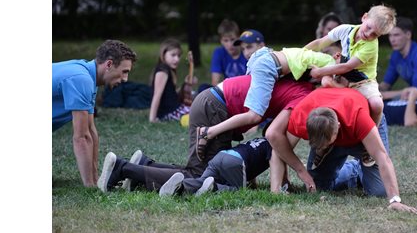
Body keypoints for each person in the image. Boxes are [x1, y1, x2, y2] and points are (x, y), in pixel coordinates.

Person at [97, 74, 315, 193]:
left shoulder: (294, 84)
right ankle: (124, 169)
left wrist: (283, 181)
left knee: (195, 170)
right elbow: (274, 137)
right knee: (199, 177)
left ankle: (145, 166)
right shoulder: (304, 96)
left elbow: (270, 135)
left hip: (213, 102)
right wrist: (301, 171)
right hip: (215, 108)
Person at [265, 87, 417, 214]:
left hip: (360, 135)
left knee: (378, 192)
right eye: (318, 145)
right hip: (333, 131)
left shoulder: (359, 118)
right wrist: (279, 188)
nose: (322, 146)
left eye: (325, 144)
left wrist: (395, 200)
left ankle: (360, 166)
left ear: (337, 128)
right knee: (320, 187)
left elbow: (382, 157)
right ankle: (354, 171)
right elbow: (278, 150)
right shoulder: (301, 116)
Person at [194, 30, 337, 158]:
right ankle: (209, 132)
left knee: (252, 107)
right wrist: (343, 83)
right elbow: (324, 80)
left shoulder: (310, 56)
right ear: (337, 56)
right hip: (269, 65)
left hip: (265, 59)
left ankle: (232, 131)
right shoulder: (331, 62)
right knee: (254, 115)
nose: (337, 76)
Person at [305, 5, 397, 166]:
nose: (368, 34)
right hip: (342, 77)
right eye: (368, 28)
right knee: (326, 105)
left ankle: (369, 142)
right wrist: (299, 53)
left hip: (362, 82)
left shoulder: (371, 45)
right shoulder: (345, 30)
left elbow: (347, 67)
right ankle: (323, 145)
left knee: (376, 104)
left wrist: (320, 72)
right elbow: (320, 42)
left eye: (375, 34)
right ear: (364, 17)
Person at [53, 39, 137, 187]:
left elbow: (90, 131)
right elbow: (81, 138)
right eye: (124, 72)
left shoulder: (88, 77)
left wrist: (97, 180)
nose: (125, 79)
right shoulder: (82, 79)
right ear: (109, 64)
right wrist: (90, 186)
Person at [158, 137, 274, 197]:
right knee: (238, 191)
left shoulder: (258, 141)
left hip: (221, 156)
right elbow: (277, 171)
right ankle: (214, 187)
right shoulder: (274, 146)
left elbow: (252, 157)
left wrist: (253, 184)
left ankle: (180, 185)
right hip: (236, 162)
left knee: (202, 181)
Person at [149, 38, 197, 123]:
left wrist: (186, 84)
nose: (177, 59)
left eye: (178, 55)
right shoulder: (162, 70)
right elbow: (157, 95)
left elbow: (172, 95)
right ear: (163, 54)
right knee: (200, 111)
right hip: (171, 112)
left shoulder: (169, 70)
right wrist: (152, 119)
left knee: (196, 97)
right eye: (173, 55)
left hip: (175, 108)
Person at [199, 19, 247, 93]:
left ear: (238, 38)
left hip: (245, 91)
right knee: (203, 88)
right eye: (226, 40)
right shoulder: (219, 52)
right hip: (228, 91)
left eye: (232, 39)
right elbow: (215, 82)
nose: (230, 44)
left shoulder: (246, 51)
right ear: (221, 41)